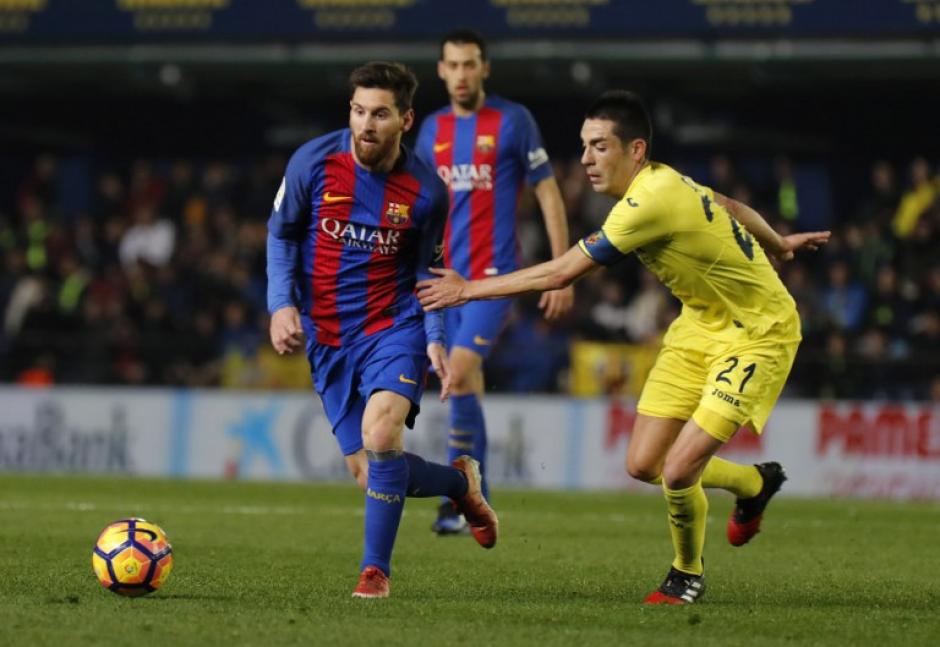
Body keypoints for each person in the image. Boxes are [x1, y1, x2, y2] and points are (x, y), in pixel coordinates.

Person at [418, 90, 830, 604]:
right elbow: (725, 205)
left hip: (759, 333)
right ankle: (752, 484)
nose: (587, 160)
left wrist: (467, 289)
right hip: (699, 326)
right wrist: (778, 242)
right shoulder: (668, 180)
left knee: (678, 470)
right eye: (584, 147)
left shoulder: (646, 202)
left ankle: (686, 575)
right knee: (643, 464)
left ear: (635, 150)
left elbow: (563, 271)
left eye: (600, 147)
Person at [266, 61, 498, 599]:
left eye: (380, 114)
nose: (366, 125)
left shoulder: (425, 192)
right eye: (358, 111)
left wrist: (434, 334)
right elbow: (280, 236)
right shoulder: (313, 162)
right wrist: (281, 305)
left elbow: (428, 271)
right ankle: (460, 483)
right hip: (327, 337)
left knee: (381, 434)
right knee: (372, 477)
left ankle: (375, 572)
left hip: (394, 325)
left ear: (406, 120)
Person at [414, 29, 574, 533]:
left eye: (470, 64)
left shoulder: (512, 121)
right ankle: (474, 497)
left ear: (485, 69)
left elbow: (548, 194)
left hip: (491, 281)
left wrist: (562, 271)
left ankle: (458, 499)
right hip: (440, 282)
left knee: (458, 374)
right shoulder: (429, 130)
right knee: (464, 386)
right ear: (441, 70)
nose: (461, 74)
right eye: (453, 65)